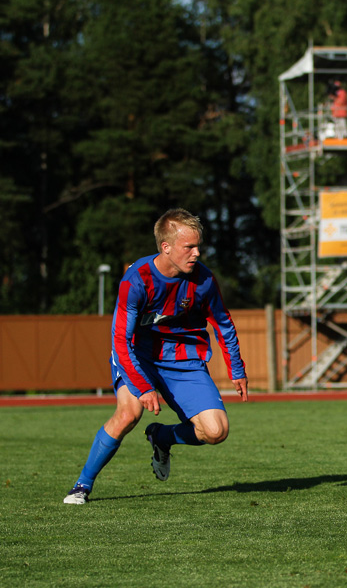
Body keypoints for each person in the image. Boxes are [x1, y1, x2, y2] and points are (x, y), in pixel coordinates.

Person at [63, 209, 249, 504]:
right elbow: (121, 341)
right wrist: (143, 385)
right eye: (189, 247)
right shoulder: (136, 280)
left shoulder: (204, 281)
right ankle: (82, 485)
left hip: (184, 360)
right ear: (166, 247)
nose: (197, 253)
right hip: (139, 356)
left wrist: (236, 370)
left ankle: (162, 437)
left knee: (216, 431)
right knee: (128, 415)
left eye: (198, 246)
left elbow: (224, 324)